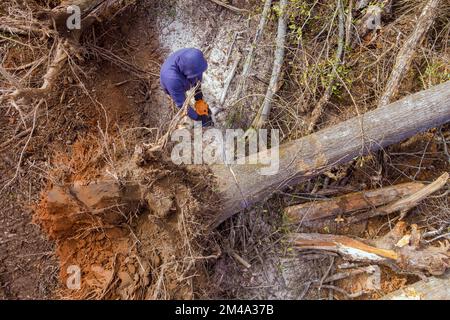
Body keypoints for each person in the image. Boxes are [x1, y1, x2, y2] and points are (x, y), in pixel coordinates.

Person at [160, 48, 213, 127]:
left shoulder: (194, 58)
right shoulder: (172, 80)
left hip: (182, 72)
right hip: (171, 83)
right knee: (180, 98)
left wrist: (198, 94)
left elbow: (198, 73)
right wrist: (198, 117)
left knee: (194, 78)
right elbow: (182, 104)